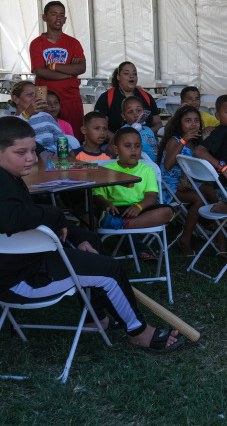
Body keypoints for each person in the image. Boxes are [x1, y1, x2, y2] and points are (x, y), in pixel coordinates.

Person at [0, 117, 183, 352]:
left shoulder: (10, 178)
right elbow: (13, 218)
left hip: (25, 260)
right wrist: (54, 216)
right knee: (109, 270)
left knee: (91, 239)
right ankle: (139, 332)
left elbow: (32, 217)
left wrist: (75, 236)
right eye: (20, 152)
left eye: (33, 150)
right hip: (18, 280)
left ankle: (96, 317)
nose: (31, 158)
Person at [93, 127, 174, 262]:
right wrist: (106, 204)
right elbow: (97, 195)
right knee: (94, 211)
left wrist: (139, 206)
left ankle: (121, 224)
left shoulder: (147, 169)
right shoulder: (106, 169)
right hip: (115, 209)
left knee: (168, 211)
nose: (133, 150)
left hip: (140, 209)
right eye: (127, 146)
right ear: (116, 149)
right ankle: (134, 241)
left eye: (137, 146)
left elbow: (151, 196)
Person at [29, 1, 86, 140]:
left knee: (74, 138)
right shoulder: (37, 43)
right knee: (45, 137)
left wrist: (53, 66)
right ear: (45, 17)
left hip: (71, 98)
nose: (58, 18)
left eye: (61, 15)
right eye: (53, 14)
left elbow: (82, 68)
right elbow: (40, 72)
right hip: (45, 99)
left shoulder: (73, 43)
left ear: (65, 19)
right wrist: (70, 73)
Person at [157, 105, 208, 258]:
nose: (193, 124)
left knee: (213, 192)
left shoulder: (197, 142)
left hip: (187, 183)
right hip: (169, 186)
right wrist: (184, 141)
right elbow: (168, 165)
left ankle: (220, 239)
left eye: (196, 120)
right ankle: (185, 239)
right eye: (188, 121)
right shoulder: (175, 140)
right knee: (199, 199)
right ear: (179, 124)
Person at [94, 61, 161, 137]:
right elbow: (99, 126)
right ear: (118, 77)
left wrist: (145, 134)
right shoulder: (106, 97)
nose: (131, 76)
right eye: (126, 73)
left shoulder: (147, 97)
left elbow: (158, 123)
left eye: (134, 73)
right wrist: (118, 141)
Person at [10, 81, 65, 160]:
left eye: (35, 95)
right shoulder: (8, 120)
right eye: (29, 95)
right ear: (15, 99)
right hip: (24, 161)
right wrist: (27, 114)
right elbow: (11, 134)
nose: (34, 98)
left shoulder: (46, 117)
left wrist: (62, 159)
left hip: (51, 160)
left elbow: (61, 140)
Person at [120, 96, 158, 163]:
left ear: (143, 111)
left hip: (154, 165)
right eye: (130, 112)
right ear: (124, 116)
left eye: (138, 110)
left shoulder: (148, 129)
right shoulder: (124, 131)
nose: (136, 115)